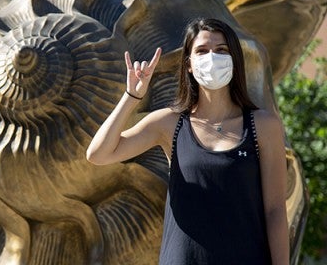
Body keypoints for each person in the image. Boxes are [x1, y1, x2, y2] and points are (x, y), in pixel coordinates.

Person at [86, 18, 289, 264]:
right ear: (189, 64)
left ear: (235, 60)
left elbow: (275, 210)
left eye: (221, 50)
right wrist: (131, 97)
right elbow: (98, 154)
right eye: (202, 51)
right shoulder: (168, 123)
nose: (212, 57)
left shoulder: (263, 125)